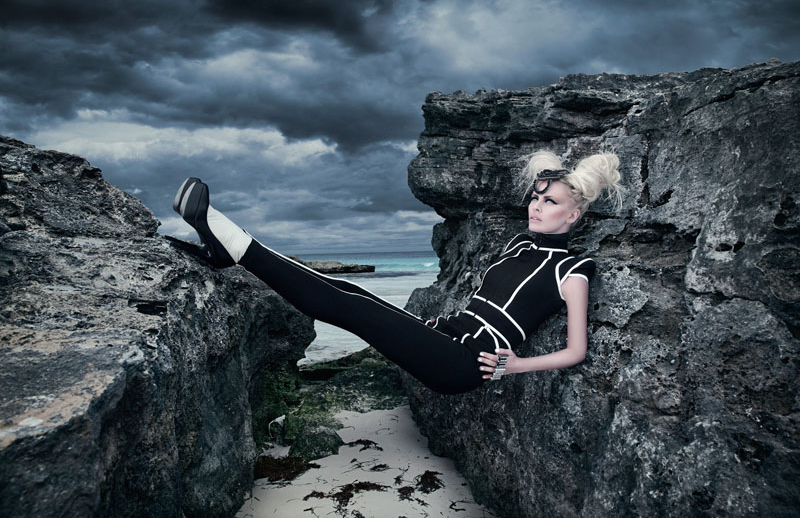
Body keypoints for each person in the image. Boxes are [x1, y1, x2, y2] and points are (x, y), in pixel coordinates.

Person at [173, 151, 623, 395]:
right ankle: (228, 251)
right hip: (446, 336)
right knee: (353, 292)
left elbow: (576, 350)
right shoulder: (518, 244)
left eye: (551, 202)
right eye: (536, 198)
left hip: (466, 365)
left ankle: (235, 244)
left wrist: (518, 365)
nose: (537, 207)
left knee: (353, 309)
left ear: (574, 216)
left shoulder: (573, 269)